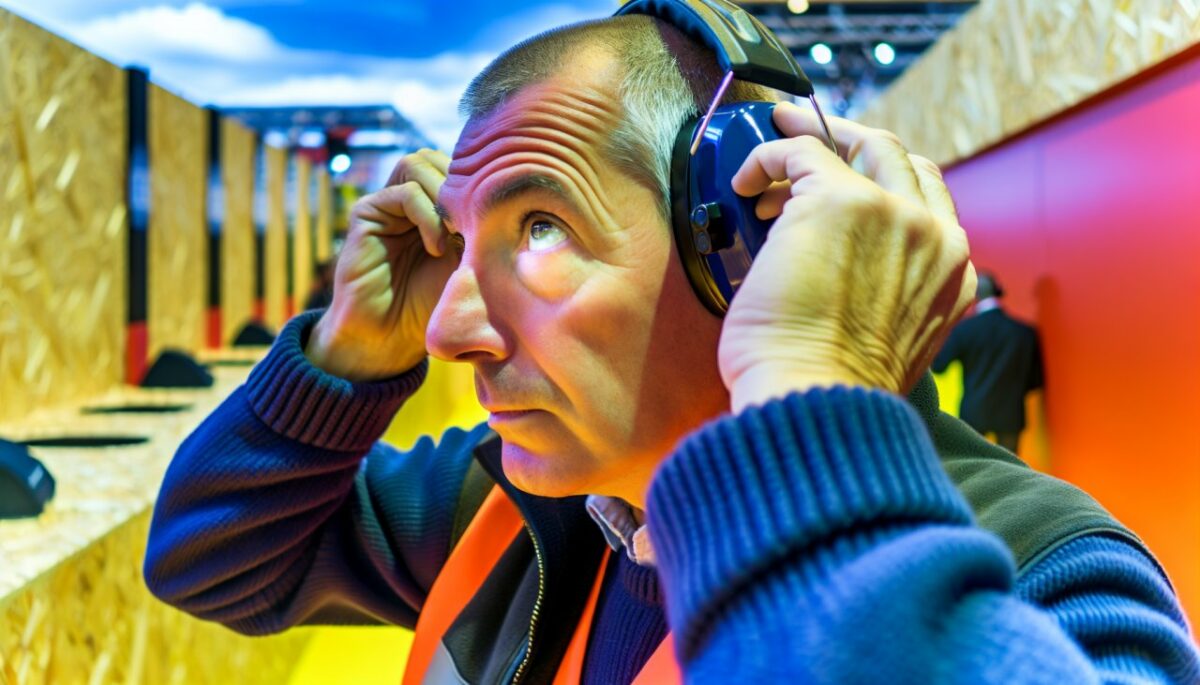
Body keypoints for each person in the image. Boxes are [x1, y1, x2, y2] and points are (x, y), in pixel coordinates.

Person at [143, 15, 1198, 685]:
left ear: (746, 237)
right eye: (459, 246)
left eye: (540, 228)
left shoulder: (1059, 576)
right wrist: (344, 352)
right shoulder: (521, 510)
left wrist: (805, 379)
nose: (449, 328)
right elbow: (216, 559)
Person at [933, 272, 1044, 453]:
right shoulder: (1024, 332)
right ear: (999, 291)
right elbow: (1036, 381)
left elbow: (938, 367)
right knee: (1010, 474)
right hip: (1011, 415)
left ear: (974, 296)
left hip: (974, 414)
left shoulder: (964, 330)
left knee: (974, 470)